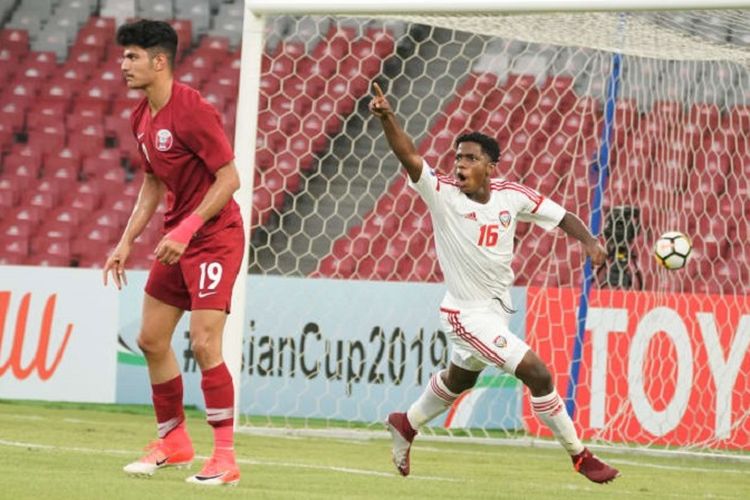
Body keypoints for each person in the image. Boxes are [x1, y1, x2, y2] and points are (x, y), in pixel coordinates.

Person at [369, 82, 620, 484]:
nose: (459, 165)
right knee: (538, 373)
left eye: (470, 158)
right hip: (466, 313)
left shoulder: (511, 196)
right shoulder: (443, 194)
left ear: (491, 167)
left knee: (461, 379)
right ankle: (580, 455)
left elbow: (561, 216)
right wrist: (388, 118)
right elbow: (410, 156)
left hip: (497, 310)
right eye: (457, 158)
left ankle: (406, 422)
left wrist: (589, 242)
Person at [103, 20, 243, 487]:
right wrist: (126, 241)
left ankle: (225, 457)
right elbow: (151, 183)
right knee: (150, 339)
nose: (123, 65)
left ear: (159, 61)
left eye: (132, 57)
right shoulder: (141, 116)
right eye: (124, 57)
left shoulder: (193, 109)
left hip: (214, 235)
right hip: (177, 239)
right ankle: (174, 440)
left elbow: (230, 179)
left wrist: (187, 227)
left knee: (204, 343)